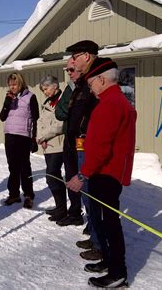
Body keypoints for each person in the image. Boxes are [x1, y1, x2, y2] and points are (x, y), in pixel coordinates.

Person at [67, 57, 137, 288]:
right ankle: (108, 261)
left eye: (91, 82)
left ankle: (118, 273)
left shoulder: (110, 104)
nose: (90, 87)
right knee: (105, 223)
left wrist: (82, 175)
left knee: (110, 225)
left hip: (105, 174)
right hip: (106, 172)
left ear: (102, 79)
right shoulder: (115, 100)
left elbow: (100, 148)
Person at [54, 41, 99, 228]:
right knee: (70, 177)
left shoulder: (89, 87)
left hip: (84, 142)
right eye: (68, 71)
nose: (69, 73)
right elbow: (60, 112)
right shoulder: (70, 89)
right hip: (70, 140)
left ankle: (94, 226)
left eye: (72, 70)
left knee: (86, 183)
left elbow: (75, 113)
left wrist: (70, 109)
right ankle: (74, 213)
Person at [0, 72, 39, 209]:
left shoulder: (30, 97)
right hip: (10, 135)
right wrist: (7, 102)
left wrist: (34, 137)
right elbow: (2, 117)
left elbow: (35, 118)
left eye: (15, 84)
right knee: (12, 166)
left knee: (24, 167)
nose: (12, 87)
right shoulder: (9, 97)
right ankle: (14, 194)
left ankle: (28, 195)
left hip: (24, 136)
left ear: (20, 83)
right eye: (10, 85)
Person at [36, 75, 66, 221]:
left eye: (46, 88)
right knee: (54, 177)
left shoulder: (62, 102)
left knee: (52, 176)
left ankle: (64, 209)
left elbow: (59, 125)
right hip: (48, 145)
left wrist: (44, 137)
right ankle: (60, 207)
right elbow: (40, 122)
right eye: (43, 90)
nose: (45, 92)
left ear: (55, 86)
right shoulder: (48, 102)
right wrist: (39, 137)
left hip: (59, 145)